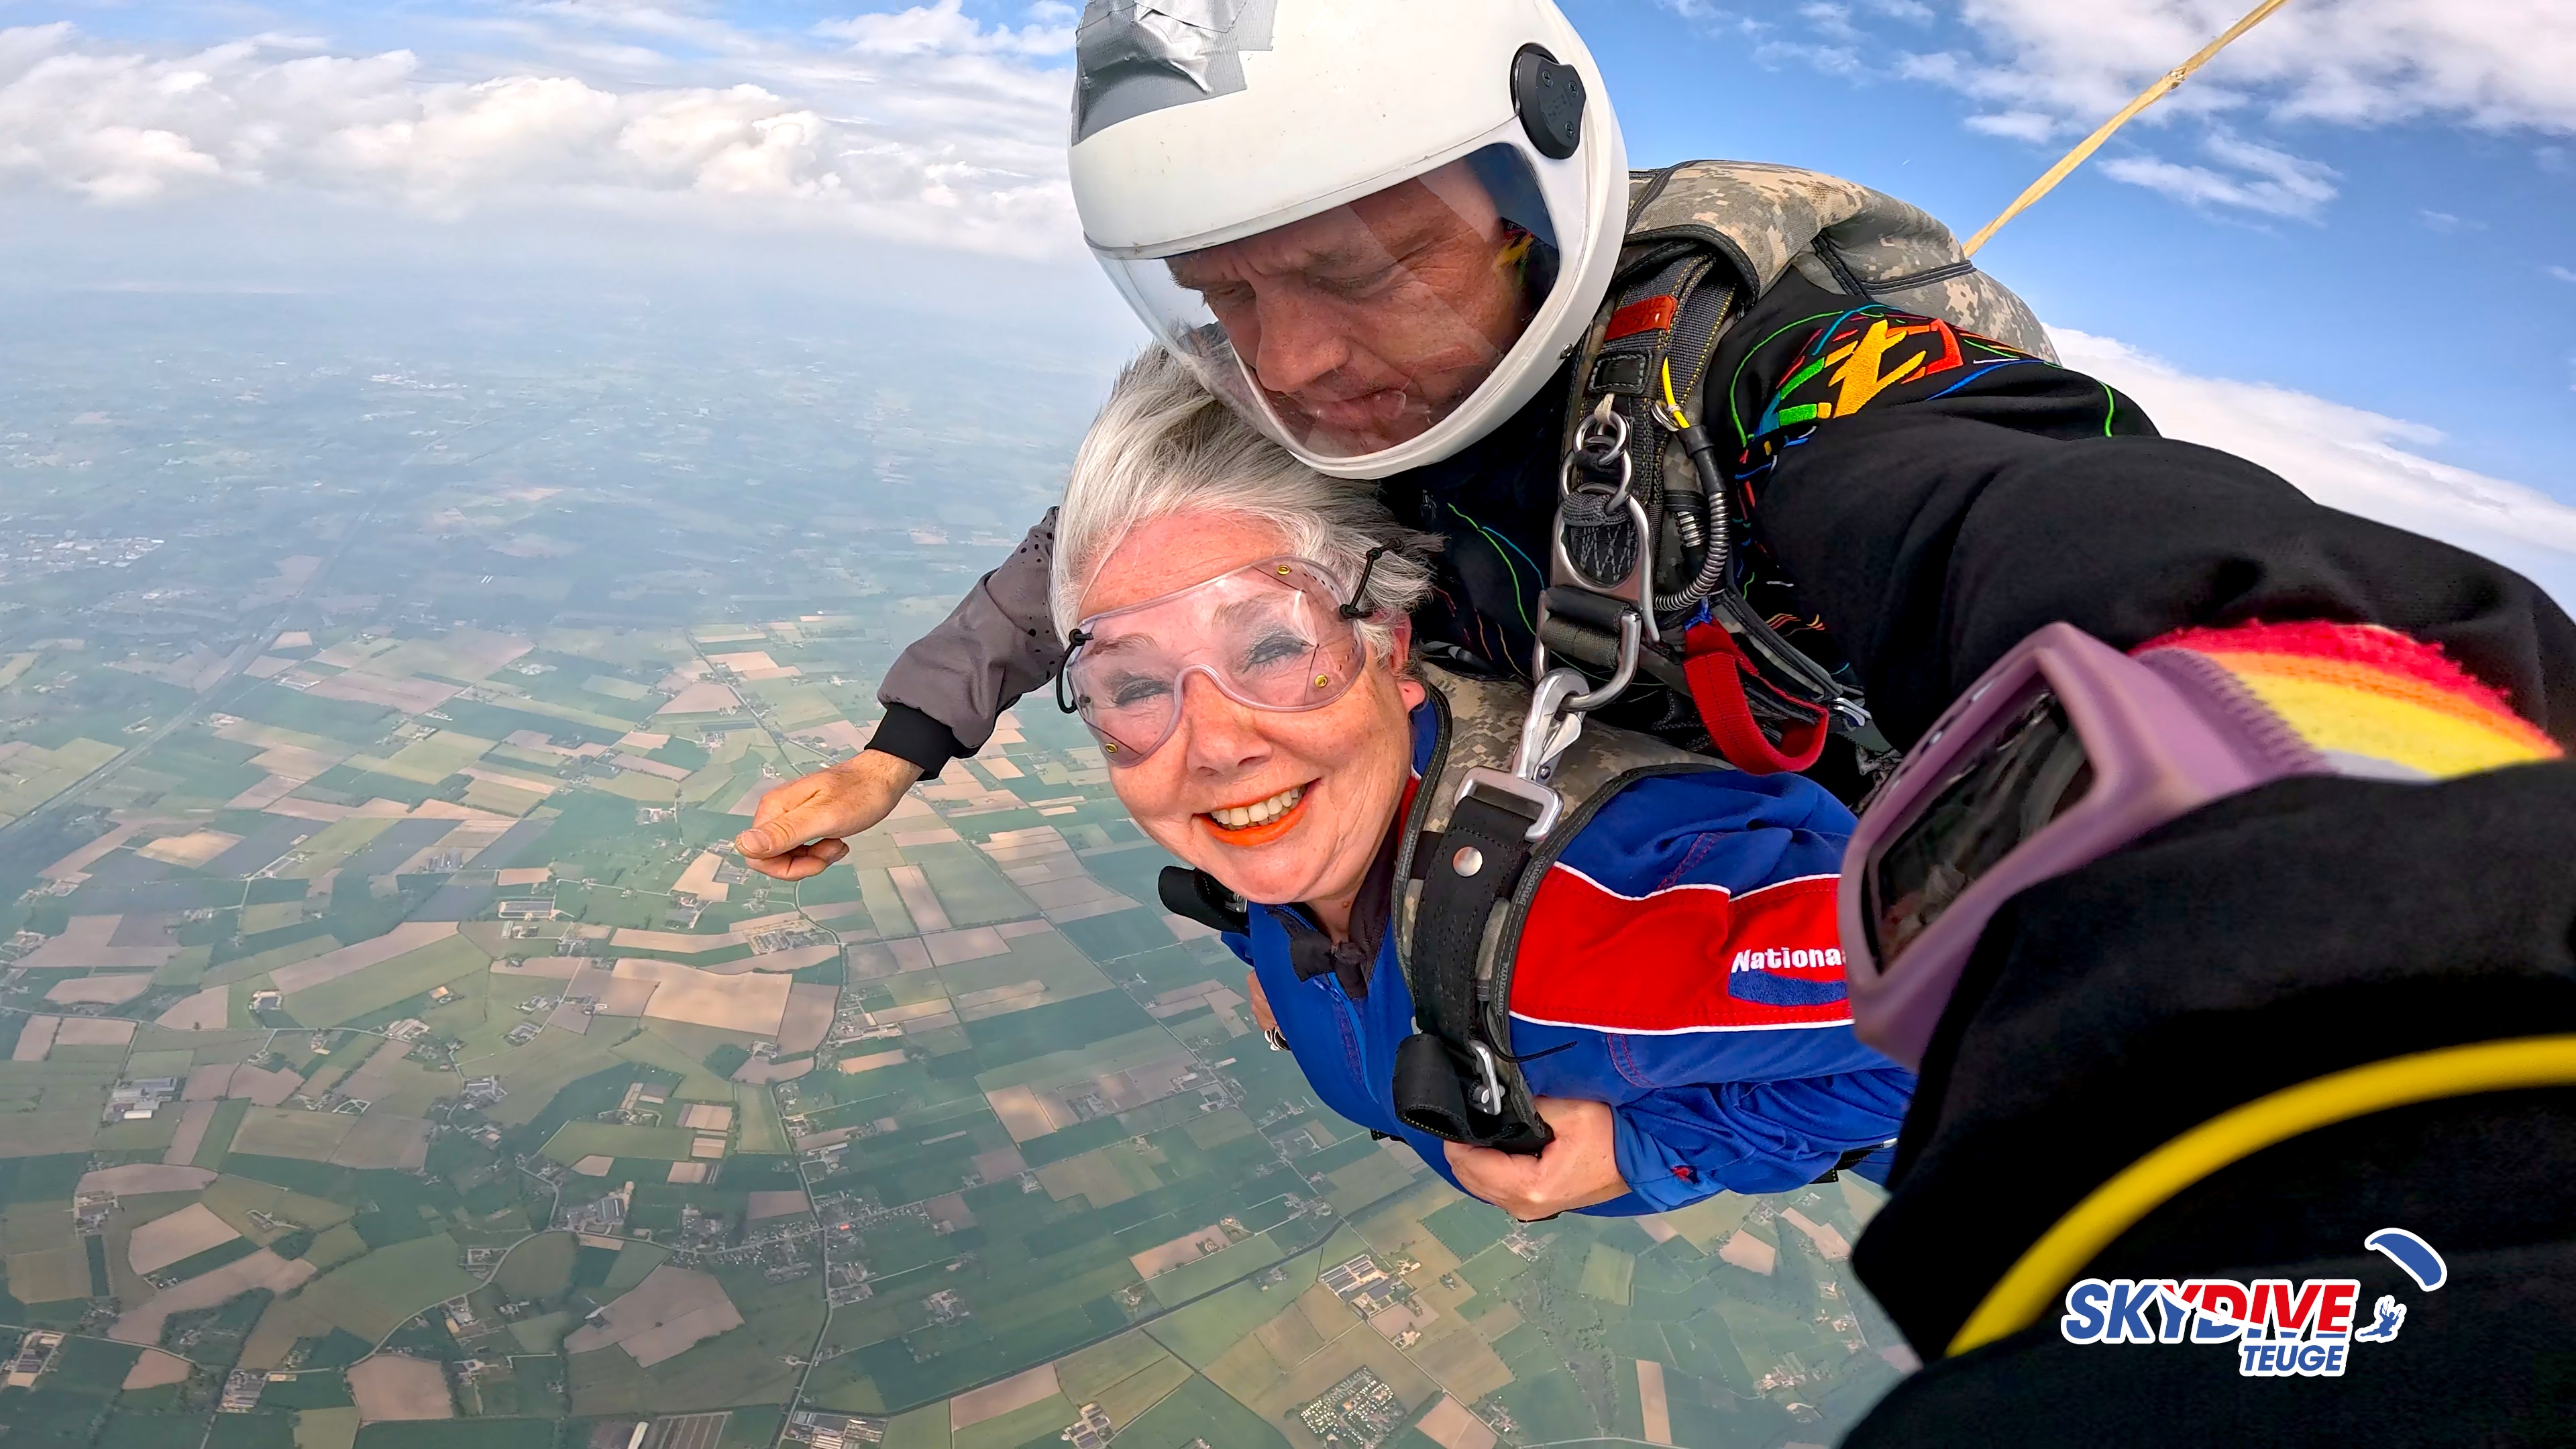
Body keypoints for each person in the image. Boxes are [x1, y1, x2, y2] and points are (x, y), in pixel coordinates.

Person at [731, 1, 2576, 1438]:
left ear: (1535, 204)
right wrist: (908, 747)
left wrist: (2401, 1023)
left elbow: (2080, 550)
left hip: (1800, 923)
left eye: (1360, 267)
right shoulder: (1303, 424)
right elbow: (1088, 557)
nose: (1291, 364)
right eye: (1223, 295)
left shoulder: (1787, 392)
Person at [1051, 349, 1911, 1220]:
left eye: (1271, 648)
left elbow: (1967, 1011)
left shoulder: (1584, 929)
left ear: (1391, 648)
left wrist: (1663, 1150)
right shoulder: (1303, 829)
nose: (1211, 746)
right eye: (1135, 686)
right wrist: (1270, 945)